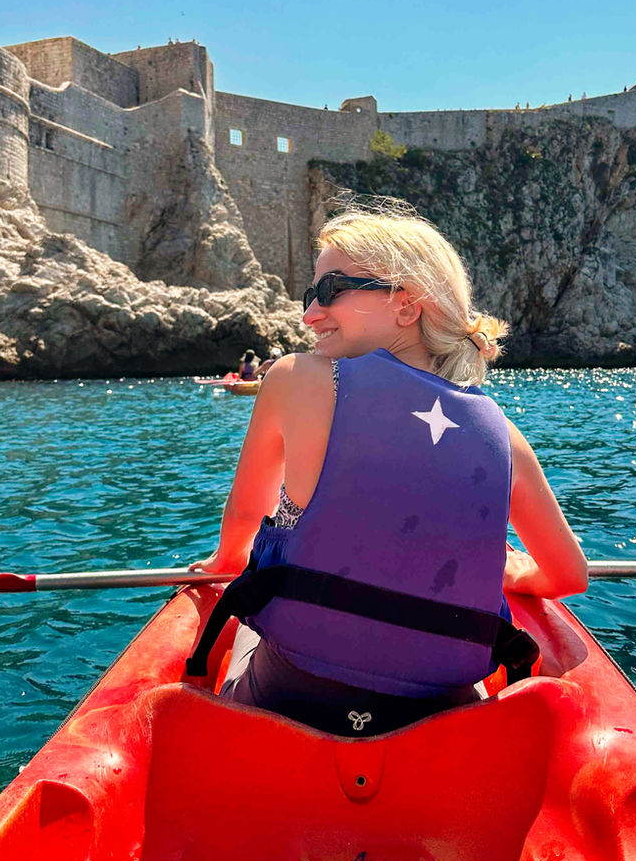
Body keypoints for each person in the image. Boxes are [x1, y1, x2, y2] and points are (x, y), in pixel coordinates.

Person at [191, 201, 587, 736]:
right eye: (311, 296)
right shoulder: (505, 437)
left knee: (245, 628)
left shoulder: (294, 378)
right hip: (442, 712)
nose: (309, 315)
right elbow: (569, 576)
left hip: (293, 694)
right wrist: (519, 571)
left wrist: (225, 558)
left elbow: (244, 514)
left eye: (330, 291)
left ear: (407, 305)